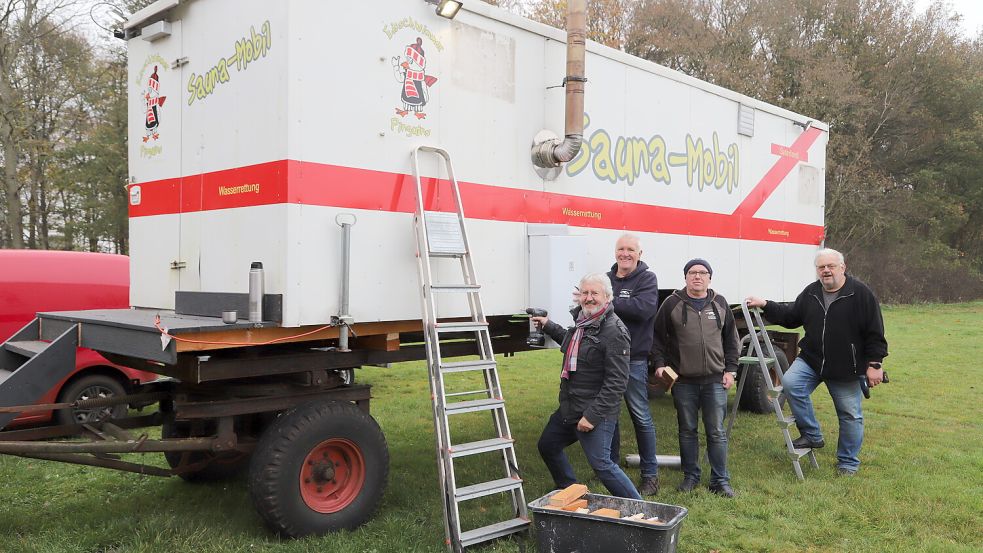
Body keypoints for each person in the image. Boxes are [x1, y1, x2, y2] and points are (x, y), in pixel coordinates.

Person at [746, 248, 888, 476]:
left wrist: (875, 364)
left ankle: (848, 463)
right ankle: (812, 434)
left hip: (846, 366)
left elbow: (875, 331)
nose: (826, 271)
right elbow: (790, 316)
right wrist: (765, 304)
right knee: (791, 384)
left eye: (831, 266)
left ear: (843, 267)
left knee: (850, 415)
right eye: (821, 267)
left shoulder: (860, 294)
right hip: (812, 359)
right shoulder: (811, 292)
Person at [532, 273, 642, 499]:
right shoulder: (583, 322)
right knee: (548, 445)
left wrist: (591, 416)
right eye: (585, 293)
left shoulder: (614, 331)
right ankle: (571, 491)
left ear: (607, 297)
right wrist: (548, 325)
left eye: (594, 293)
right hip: (571, 405)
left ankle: (641, 510)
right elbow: (572, 343)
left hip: (595, 410)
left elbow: (617, 382)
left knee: (602, 465)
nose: (589, 298)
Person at [651, 259, 739, 497]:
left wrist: (730, 370)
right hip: (684, 382)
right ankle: (691, 477)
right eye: (692, 272)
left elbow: (731, 340)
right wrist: (660, 365)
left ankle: (720, 481)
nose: (697, 276)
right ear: (686, 277)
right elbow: (657, 338)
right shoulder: (671, 304)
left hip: (715, 381)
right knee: (687, 430)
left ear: (710, 277)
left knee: (716, 432)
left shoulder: (720, 303)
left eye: (702, 272)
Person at [606, 234, 661, 495]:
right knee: (609, 414)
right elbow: (589, 305)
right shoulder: (606, 278)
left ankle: (650, 475)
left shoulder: (647, 279)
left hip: (633, 359)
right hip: (606, 357)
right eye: (620, 249)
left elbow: (643, 309)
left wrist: (609, 303)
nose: (624, 253)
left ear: (640, 253)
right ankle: (610, 467)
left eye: (630, 249)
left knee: (640, 416)